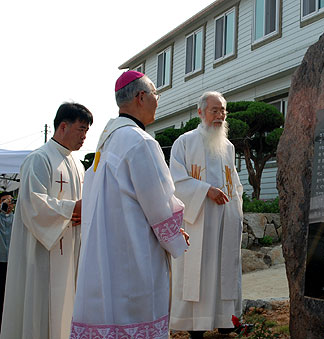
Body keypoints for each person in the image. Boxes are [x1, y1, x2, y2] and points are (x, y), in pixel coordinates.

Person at [70, 70, 189, 339]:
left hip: (104, 257)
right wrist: (175, 235)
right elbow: (159, 204)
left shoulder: (106, 144)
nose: (158, 100)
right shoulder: (140, 142)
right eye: (155, 94)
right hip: (133, 259)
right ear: (140, 97)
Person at [0, 103, 93, 339]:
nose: (84, 136)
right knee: (40, 314)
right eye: (81, 129)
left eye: (87, 131)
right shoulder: (39, 159)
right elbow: (34, 204)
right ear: (63, 126)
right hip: (42, 255)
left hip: (69, 251)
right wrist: (73, 208)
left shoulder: (77, 166)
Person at [169, 91, 244, 338]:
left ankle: (225, 320)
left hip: (224, 221)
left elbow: (234, 182)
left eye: (223, 110)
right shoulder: (185, 142)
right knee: (198, 271)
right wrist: (205, 191)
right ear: (201, 112)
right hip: (198, 220)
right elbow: (175, 180)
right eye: (215, 110)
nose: (220, 115)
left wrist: (235, 208)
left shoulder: (229, 147)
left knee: (224, 268)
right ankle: (195, 325)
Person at [0, 192, 14, 327]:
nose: (7, 203)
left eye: (10, 201)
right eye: (4, 200)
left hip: (12, 261)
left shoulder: (15, 218)